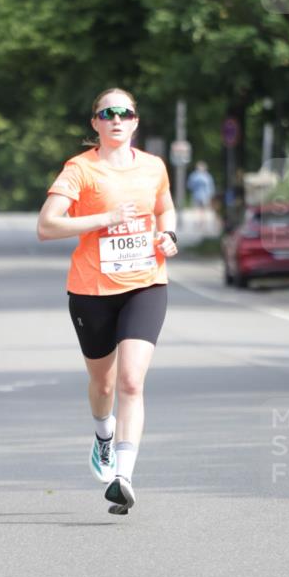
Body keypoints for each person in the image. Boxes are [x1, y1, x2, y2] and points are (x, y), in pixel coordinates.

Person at [37, 87, 178, 515]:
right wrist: (104, 219)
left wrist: (169, 235)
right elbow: (47, 226)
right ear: (95, 123)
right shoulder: (79, 170)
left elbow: (165, 209)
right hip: (91, 290)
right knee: (102, 384)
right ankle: (103, 435)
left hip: (146, 283)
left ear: (135, 122)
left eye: (125, 113)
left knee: (131, 381)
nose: (117, 119)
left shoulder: (154, 167)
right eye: (107, 113)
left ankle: (123, 476)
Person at [187, 160, 216, 228]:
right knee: (202, 209)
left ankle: (199, 223)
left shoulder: (194, 176)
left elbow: (189, 185)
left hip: (198, 195)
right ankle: (201, 223)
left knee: (198, 209)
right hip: (204, 196)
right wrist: (211, 195)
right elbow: (210, 187)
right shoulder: (207, 176)